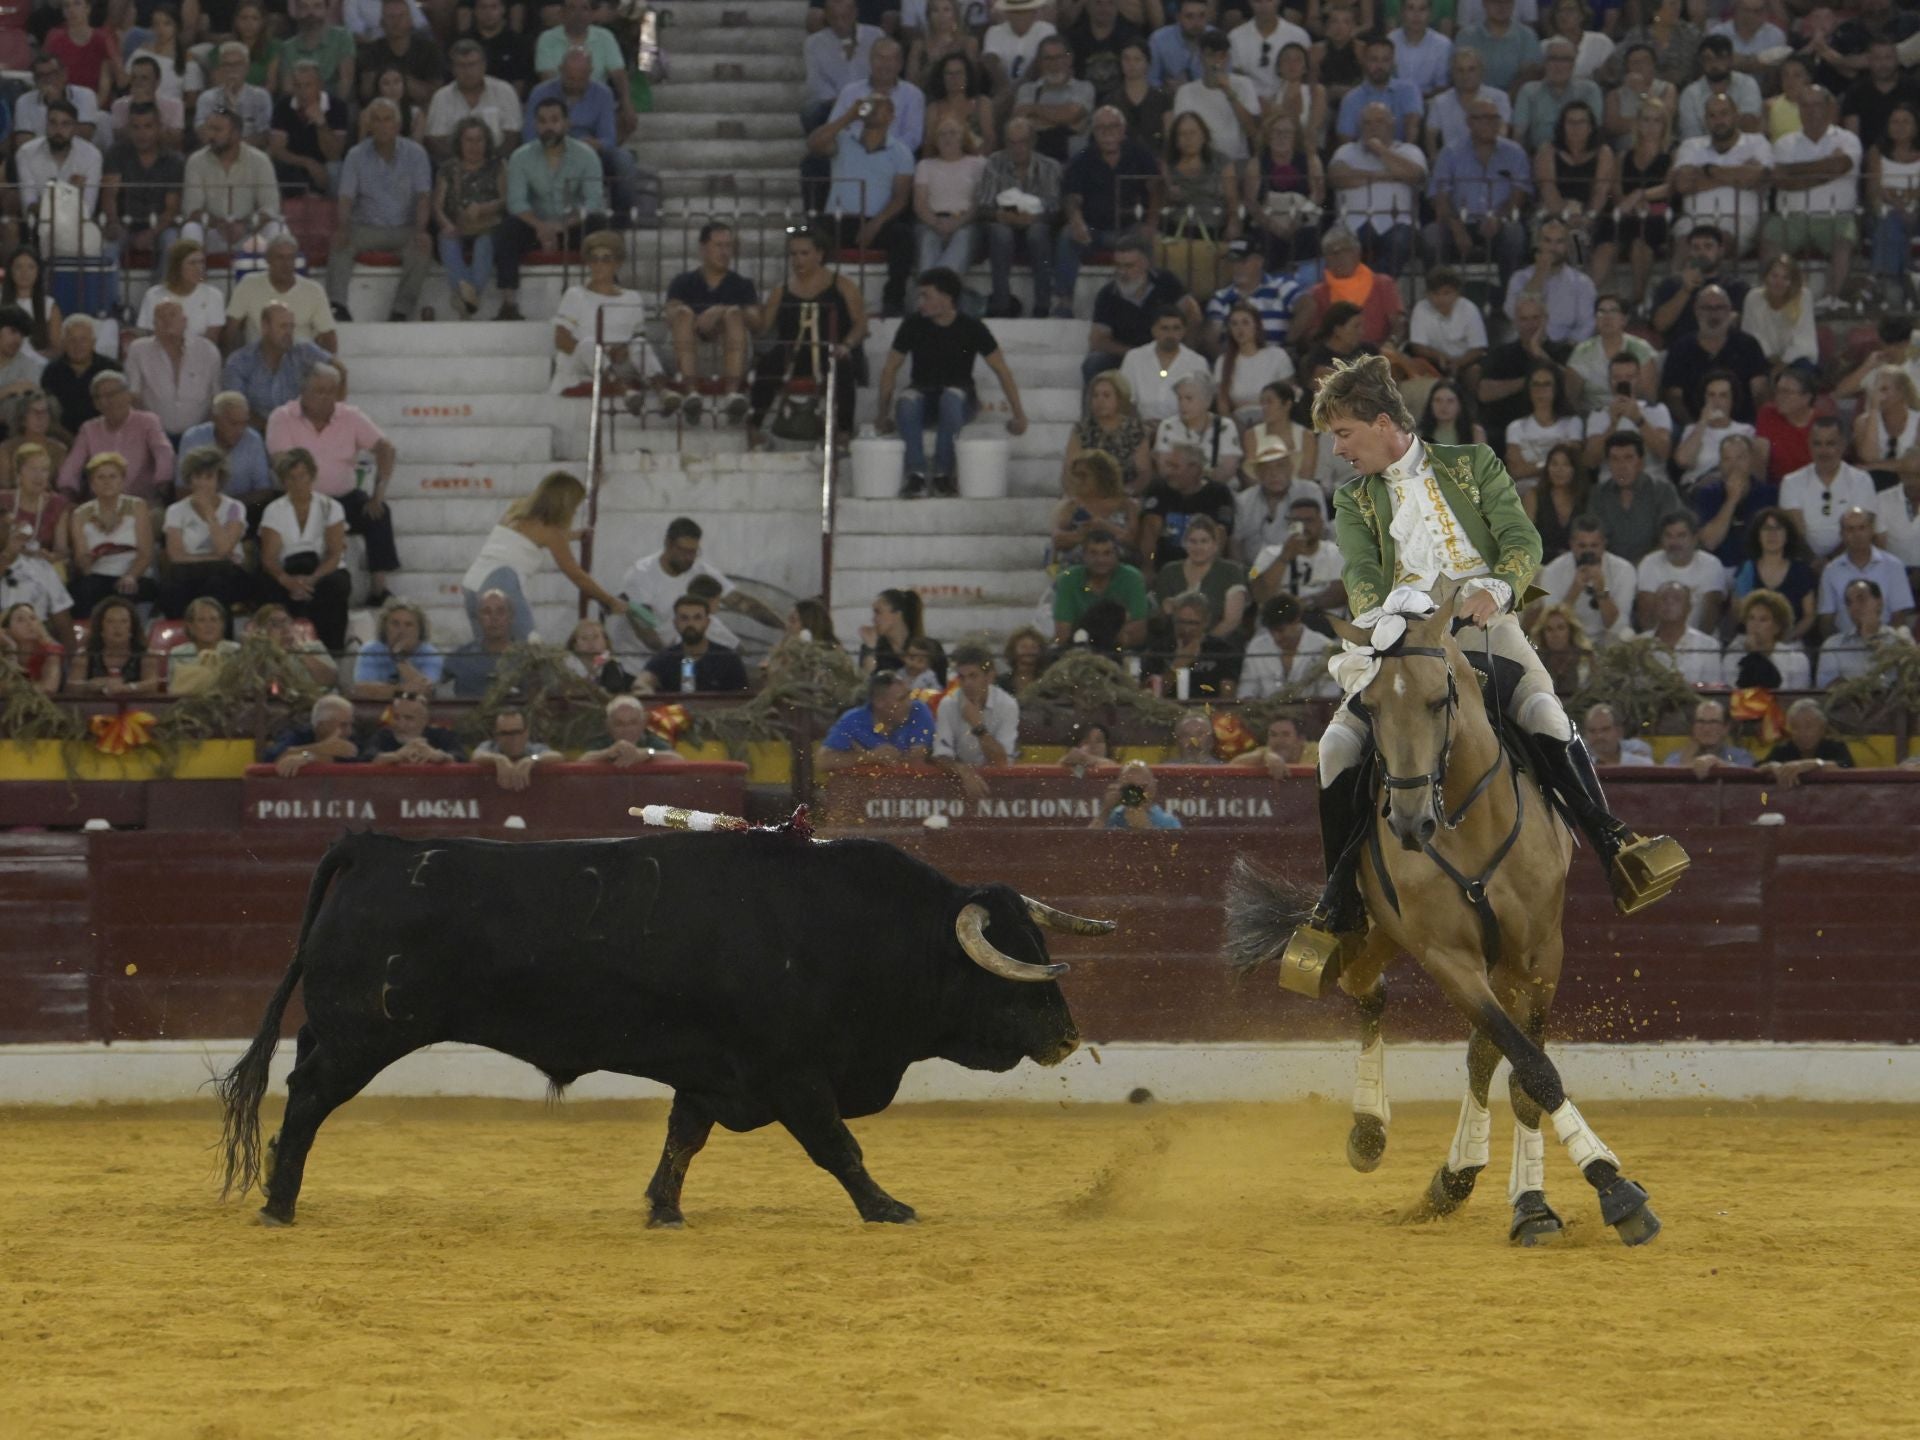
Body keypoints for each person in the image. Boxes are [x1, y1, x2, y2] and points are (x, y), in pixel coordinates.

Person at [1305, 362, 1689, 955]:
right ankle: (1338, 898)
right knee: (1334, 747)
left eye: (1344, 433)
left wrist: (1501, 588)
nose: (1338, 449)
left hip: (1485, 623)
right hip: (1401, 638)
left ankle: (1616, 846)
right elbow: (1360, 573)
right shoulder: (1354, 499)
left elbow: (1521, 539)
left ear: (1383, 423)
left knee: (1546, 715)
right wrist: (1384, 620)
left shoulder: (1473, 463)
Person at [877, 268, 1028, 498]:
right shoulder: (913, 324)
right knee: (907, 401)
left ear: (947, 298)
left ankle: (943, 475)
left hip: (959, 397)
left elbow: (1001, 370)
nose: (920, 302)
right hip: (923, 394)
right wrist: (882, 414)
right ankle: (916, 474)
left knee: (951, 397)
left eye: (926, 296)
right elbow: (890, 369)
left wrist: (1019, 414)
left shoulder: (971, 327)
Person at [459, 469, 625, 644]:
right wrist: (609, 600)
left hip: (472, 585)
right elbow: (577, 575)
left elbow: (528, 537)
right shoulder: (552, 534)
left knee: (489, 649)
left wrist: (573, 535)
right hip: (500, 584)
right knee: (530, 647)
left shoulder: (515, 510)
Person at [745, 225, 867, 447]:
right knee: (767, 366)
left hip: (830, 348)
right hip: (793, 351)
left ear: (819, 254)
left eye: (804, 253)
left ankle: (843, 430)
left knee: (843, 367)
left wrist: (847, 344)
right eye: (793, 254)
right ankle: (754, 426)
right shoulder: (781, 290)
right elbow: (763, 328)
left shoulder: (842, 284)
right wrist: (748, 316)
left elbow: (860, 323)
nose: (797, 260)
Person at [495, 97, 606, 323]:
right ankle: (508, 303)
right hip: (535, 227)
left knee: (599, 226)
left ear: (566, 123)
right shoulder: (521, 157)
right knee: (507, 229)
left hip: (572, 226)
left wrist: (560, 227)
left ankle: (605, 294)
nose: (548, 127)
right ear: (535, 125)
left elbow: (593, 201)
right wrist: (542, 228)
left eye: (555, 120)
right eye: (543, 121)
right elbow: (516, 203)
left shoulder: (585, 155)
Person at [809, 91, 917, 319]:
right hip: (838, 219)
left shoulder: (901, 152)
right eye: (871, 104)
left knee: (904, 237)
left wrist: (876, 224)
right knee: (808, 236)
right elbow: (814, 144)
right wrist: (849, 116)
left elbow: (901, 197)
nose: (874, 108)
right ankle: (814, 295)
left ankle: (893, 300)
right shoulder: (843, 140)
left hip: (875, 221)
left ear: (891, 115)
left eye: (881, 105)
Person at [614, 515, 781, 660]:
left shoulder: (699, 571)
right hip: (640, 663)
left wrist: (786, 627)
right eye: (683, 551)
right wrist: (673, 659)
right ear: (667, 544)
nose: (689, 558)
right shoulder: (640, 575)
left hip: (681, 660)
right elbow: (646, 631)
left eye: (694, 551)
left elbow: (741, 603)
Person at [326, 98, 433, 325]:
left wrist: (421, 230)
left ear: (398, 124)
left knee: (423, 248)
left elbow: (424, 198)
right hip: (366, 228)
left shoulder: (416, 153)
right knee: (339, 243)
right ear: (369, 125)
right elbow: (345, 198)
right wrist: (343, 228)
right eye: (377, 120)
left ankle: (400, 311)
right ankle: (337, 305)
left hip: (404, 228)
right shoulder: (356, 155)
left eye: (388, 119)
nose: (383, 125)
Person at [1761, 86, 1861, 311]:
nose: (1811, 110)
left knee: (1844, 241)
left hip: (1836, 216)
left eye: (1817, 104)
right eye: (1805, 105)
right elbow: (1783, 182)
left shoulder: (1848, 139)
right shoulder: (1783, 143)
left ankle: (1831, 299)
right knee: (1770, 237)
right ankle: (1774, 299)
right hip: (1792, 217)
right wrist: (1826, 169)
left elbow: (1841, 165)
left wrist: (1794, 171)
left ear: (1829, 108)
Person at [1057, 106, 1162, 314]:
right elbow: (1072, 198)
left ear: (1123, 130)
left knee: (1150, 238)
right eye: (1101, 128)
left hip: (1130, 229)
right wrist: (1077, 220)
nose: (1107, 133)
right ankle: (1064, 301)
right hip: (1093, 231)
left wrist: (1151, 224)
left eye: (1113, 127)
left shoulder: (1140, 154)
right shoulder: (1082, 158)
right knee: (1067, 235)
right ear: (1093, 132)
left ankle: (1152, 300)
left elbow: (1156, 190)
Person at [662, 222, 760, 421]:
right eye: (719, 245)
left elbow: (758, 322)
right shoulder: (683, 282)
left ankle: (732, 393)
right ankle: (691, 392)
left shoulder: (742, 285)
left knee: (733, 314)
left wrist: (722, 311)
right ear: (703, 248)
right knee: (682, 313)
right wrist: (696, 320)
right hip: (689, 354)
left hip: (728, 355)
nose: (725, 252)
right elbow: (669, 315)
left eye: (728, 246)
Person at [548, 230, 653, 396]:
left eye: (605, 259)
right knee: (589, 344)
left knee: (640, 344)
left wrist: (621, 350)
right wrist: (602, 353)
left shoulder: (633, 297)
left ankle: (663, 391)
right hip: (582, 364)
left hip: (618, 362)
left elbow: (637, 336)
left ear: (617, 263)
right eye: (594, 259)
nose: (598, 265)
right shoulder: (575, 294)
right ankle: (622, 389)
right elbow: (561, 340)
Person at [1326, 101, 1426, 275]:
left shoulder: (1410, 151)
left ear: (1392, 124)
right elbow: (1338, 177)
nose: (1372, 127)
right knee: (1341, 247)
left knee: (1399, 243)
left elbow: (1415, 175)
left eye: (1379, 121)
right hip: (1353, 223)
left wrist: (1380, 150)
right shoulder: (1346, 151)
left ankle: (1373, 291)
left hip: (1399, 223)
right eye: (1367, 122)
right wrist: (1389, 175)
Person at [1085, 239, 1202, 387]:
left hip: (1168, 349)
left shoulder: (1165, 281)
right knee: (1094, 362)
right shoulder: (1107, 294)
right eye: (1118, 266)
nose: (1122, 272)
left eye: (1129, 266)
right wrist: (1137, 355)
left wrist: (1186, 350)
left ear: (1145, 264)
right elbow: (1098, 340)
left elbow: (1193, 313)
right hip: (1126, 354)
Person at [1669, 93, 1773, 259]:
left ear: (1736, 115)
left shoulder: (1757, 142)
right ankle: (1679, 285)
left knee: (1717, 241)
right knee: (1685, 243)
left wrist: (1708, 171)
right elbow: (1682, 184)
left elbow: (1757, 178)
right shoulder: (1691, 145)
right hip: (1694, 219)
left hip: (1739, 221)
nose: (1719, 120)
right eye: (1712, 115)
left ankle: (1716, 285)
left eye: (1724, 113)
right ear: (1706, 120)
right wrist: (1738, 174)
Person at [976, 118, 1062, 319]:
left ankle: (1042, 305)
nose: (1017, 148)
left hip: (1037, 225)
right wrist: (1002, 216)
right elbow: (984, 207)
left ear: (1032, 142)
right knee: (1000, 233)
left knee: (1038, 233)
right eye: (1011, 142)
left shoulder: (1050, 167)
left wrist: (1033, 218)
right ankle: (1001, 304)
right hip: (1003, 224)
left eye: (1022, 142)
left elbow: (1056, 210)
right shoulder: (994, 163)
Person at [179, 103, 282, 259]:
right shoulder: (196, 161)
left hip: (249, 233)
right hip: (213, 233)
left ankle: (269, 283)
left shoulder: (260, 160)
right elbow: (192, 210)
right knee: (190, 229)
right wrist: (220, 225)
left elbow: (270, 207)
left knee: (275, 229)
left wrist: (245, 226)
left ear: (235, 134)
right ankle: (196, 281)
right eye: (209, 129)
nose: (210, 136)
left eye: (217, 130)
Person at [1660, 286, 1769, 430]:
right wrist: (1695, 427)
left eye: (1720, 308)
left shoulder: (1748, 345)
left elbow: (1760, 392)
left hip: (1743, 427)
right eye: (1707, 308)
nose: (1714, 314)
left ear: (1729, 311)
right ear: (1696, 311)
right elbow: (1674, 398)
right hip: (1694, 426)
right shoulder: (1681, 348)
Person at [58, 374, 175, 506]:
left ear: (127, 395)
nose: (104, 402)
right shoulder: (89, 428)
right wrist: (66, 491)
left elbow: (163, 452)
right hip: (100, 503)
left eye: (110, 395)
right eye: (98, 397)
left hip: (142, 501)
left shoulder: (147, 421)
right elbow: (73, 464)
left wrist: (162, 482)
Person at [159, 446, 250, 616]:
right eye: (197, 477)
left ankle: (222, 638)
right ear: (189, 479)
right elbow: (176, 555)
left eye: (208, 477)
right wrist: (212, 558)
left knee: (216, 583)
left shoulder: (235, 508)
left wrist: (209, 511)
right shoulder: (175, 511)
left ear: (219, 479)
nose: (202, 483)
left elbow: (224, 549)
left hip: (227, 572)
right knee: (173, 586)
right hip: (189, 572)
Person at [66, 454, 158, 620]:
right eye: (100, 477)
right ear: (92, 484)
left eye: (112, 476)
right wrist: (89, 559)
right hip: (98, 574)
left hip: (134, 574)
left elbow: (146, 553)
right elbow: (81, 560)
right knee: (82, 590)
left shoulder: (138, 506)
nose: (107, 481)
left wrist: (131, 576)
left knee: (126, 591)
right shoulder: (79, 514)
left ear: (122, 481)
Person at [1780, 419, 1878, 562]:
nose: (1823, 451)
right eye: (1817, 444)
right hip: (1805, 561)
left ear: (1843, 445)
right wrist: (1815, 563)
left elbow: (1860, 530)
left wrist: (1831, 563)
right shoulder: (1791, 482)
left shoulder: (1861, 480)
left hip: (1849, 560)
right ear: (1809, 445)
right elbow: (1796, 533)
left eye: (1830, 443)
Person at [124, 300, 220, 444]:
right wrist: (151, 431)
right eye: (161, 317)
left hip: (200, 436)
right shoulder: (138, 350)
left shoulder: (207, 350)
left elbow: (217, 398)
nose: (167, 320)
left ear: (185, 321)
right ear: (154, 325)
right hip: (153, 435)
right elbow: (133, 397)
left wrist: (203, 434)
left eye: (172, 315)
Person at [931, 642, 1019, 800]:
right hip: (957, 783)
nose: (967, 684)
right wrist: (965, 772)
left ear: (989, 677)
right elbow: (941, 756)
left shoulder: (1007, 705)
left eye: (973, 676)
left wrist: (978, 726)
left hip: (1000, 785)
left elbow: (1001, 760)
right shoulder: (948, 704)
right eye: (962, 677)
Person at [224, 235, 337, 353]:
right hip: (258, 363)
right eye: (280, 257)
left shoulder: (314, 290)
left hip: (301, 363)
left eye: (290, 258)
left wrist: (328, 365)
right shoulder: (248, 284)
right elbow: (230, 329)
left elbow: (329, 335)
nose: (286, 264)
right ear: (268, 259)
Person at [1139, 442, 1236, 575]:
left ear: (1194, 469)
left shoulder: (1218, 493)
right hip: (1163, 564)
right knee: (1151, 523)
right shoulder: (1159, 489)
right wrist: (1149, 567)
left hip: (1205, 564)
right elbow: (1150, 536)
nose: (1168, 472)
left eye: (1175, 467)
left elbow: (1221, 536)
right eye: (1168, 465)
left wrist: (1206, 573)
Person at [1817, 508, 1916, 638]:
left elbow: (1899, 615)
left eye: (1862, 528)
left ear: (1871, 531)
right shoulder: (1831, 571)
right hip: (1845, 646)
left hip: (1887, 644)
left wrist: (1886, 645)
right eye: (1850, 529)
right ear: (1841, 534)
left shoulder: (1893, 566)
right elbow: (1826, 619)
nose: (1857, 534)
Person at [815, 669, 936, 772]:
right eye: (901, 699)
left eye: (909, 695)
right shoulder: (853, 720)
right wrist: (869, 757)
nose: (908, 703)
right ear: (879, 702)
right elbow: (822, 761)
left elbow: (917, 759)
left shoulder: (919, 710)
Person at [1503, 216, 1595, 347]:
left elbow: (1587, 325)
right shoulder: (1519, 278)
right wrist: (1540, 273)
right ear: (1538, 244)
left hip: (1566, 348)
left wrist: (1566, 348)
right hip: (1526, 346)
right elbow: (1512, 312)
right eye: (1547, 241)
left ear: (1568, 246)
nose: (1553, 247)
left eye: (1559, 242)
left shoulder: (1582, 283)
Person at [1052, 527, 1150, 647]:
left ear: (1117, 555)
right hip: (1078, 651)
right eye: (1093, 553)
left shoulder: (1133, 577)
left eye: (1107, 553)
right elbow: (1062, 635)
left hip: (1121, 651)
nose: (1100, 560)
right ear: (1083, 555)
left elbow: (1138, 633)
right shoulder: (1067, 578)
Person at [1865, 102, 1920, 310]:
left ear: (1916, 126)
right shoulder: (1876, 152)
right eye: (1895, 121)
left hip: (1917, 213)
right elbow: (1874, 190)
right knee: (1890, 223)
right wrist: (1901, 202)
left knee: (1895, 223)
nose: (1900, 126)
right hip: (1883, 213)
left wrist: (1901, 196)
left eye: (1906, 121)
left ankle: (1882, 279)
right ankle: (1903, 279)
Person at [1114, 305, 1209, 424]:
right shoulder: (1134, 358)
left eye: (1176, 328)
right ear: (1154, 330)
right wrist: (1140, 426)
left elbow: (1200, 406)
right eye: (1165, 328)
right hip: (1141, 427)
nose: (1171, 334)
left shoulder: (1197, 362)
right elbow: (1125, 400)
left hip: (1183, 430)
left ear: (1184, 331)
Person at [1065, 371, 1152, 494]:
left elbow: (1143, 473)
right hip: (1088, 495)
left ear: (1120, 399)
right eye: (1095, 396)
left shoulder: (1136, 429)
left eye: (1106, 396)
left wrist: (1125, 493)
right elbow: (1069, 470)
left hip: (1126, 495)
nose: (1100, 401)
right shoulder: (1081, 430)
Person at [1140, 590, 1239, 697]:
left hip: (1208, 711)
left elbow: (1227, 697)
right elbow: (1148, 697)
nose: (1186, 629)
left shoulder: (1222, 651)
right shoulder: (1158, 650)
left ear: (1206, 622)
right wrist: (1178, 665)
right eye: (1181, 622)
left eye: (1193, 623)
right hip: (1168, 710)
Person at [1405, 269, 1488, 396]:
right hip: (1434, 362)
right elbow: (1417, 347)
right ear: (1427, 294)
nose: (1441, 299)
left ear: (1457, 293)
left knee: (1475, 371)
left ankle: (1472, 408)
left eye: (1446, 293)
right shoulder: (1421, 309)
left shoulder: (1469, 309)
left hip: (1466, 362)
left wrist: (1458, 363)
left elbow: (1478, 348)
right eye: (1436, 294)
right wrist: (1439, 356)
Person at [1818, 579, 1913, 687]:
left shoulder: (1899, 639)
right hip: (1849, 701)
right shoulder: (1833, 645)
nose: (1855, 607)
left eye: (1861, 599)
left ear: (1879, 602)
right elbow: (1828, 686)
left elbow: (1911, 680)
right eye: (1849, 603)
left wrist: (1871, 637)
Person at [1239, 597, 1335, 701]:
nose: (1276, 637)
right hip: (1265, 714)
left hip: (1311, 715)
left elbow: (1329, 697)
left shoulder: (1325, 648)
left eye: (1280, 630)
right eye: (1272, 631)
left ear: (1296, 621)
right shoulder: (1256, 647)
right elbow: (1246, 692)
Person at [1504, 362, 1583, 489]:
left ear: (1556, 389)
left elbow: (1573, 463)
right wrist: (1553, 466)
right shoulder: (1515, 427)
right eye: (1535, 385)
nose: (1540, 391)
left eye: (1547, 384)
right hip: (1526, 491)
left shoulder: (1572, 423)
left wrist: (1532, 467)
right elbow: (1516, 471)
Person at [1154, 373, 1239, 487]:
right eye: (1180, 398)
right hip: (1178, 490)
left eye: (1189, 398)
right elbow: (1164, 468)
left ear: (1207, 401)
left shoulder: (1225, 426)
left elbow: (1228, 469)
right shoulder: (1167, 426)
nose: (1182, 404)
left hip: (1217, 489)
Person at [70, 595, 163, 695]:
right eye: (110, 621)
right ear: (100, 627)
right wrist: (89, 685)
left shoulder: (145, 655)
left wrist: (127, 688)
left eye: (124, 621)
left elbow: (152, 685)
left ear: (132, 628)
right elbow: (71, 687)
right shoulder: (85, 655)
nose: (117, 627)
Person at [1742, 256, 1818, 377]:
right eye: (1774, 276)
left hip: (1795, 359)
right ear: (1766, 277)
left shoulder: (1803, 297)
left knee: (1801, 372)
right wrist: (1770, 357)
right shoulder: (1753, 298)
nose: (1779, 282)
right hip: (1764, 357)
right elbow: (1752, 335)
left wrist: (1780, 366)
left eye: (1785, 278)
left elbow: (1802, 340)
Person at [1721, 588, 1811, 690]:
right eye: (1751, 618)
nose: (1755, 625)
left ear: (1777, 627)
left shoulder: (1796, 660)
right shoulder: (1733, 657)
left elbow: (1796, 699)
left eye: (1763, 619)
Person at [1641, 579, 1722, 686]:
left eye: (1677, 599)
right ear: (1655, 606)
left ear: (1689, 608)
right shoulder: (1638, 643)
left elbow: (1713, 689)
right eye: (1663, 599)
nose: (1669, 603)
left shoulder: (1709, 645)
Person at [1853, 368, 1920, 495]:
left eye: (1884, 390)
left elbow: (1914, 463)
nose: (1877, 396)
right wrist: (1873, 410)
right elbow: (1869, 457)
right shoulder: (1863, 422)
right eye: (1875, 390)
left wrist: (1878, 466)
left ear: (1901, 393)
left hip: (1911, 481)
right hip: (1876, 482)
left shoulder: (1918, 422)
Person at [0, 522, 73, 636]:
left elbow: (64, 624)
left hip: (36, 643)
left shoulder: (41, 567)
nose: (18, 533)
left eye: (15, 527)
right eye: (7, 529)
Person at [268, 694, 364, 776]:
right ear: (322, 725)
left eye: (350, 724)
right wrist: (321, 748)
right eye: (343, 725)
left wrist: (308, 756)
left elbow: (348, 760)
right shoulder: (298, 734)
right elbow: (274, 756)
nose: (349, 731)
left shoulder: (352, 738)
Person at [163, 596, 242, 696]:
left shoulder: (236, 651)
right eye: (201, 620)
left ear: (222, 624)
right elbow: (174, 691)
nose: (208, 625)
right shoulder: (178, 654)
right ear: (190, 626)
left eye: (214, 619)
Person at [364, 690, 466, 765]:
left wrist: (439, 756)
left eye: (408, 718)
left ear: (424, 721)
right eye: (396, 717)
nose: (401, 724)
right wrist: (398, 755)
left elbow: (460, 757)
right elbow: (368, 758)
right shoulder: (383, 735)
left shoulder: (443, 735)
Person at [577, 693, 676, 765]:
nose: (627, 729)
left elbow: (676, 758)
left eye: (633, 723)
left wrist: (647, 753)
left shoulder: (651, 739)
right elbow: (583, 760)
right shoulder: (601, 742)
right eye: (619, 724)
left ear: (643, 723)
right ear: (608, 725)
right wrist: (607, 753)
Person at [1526, 601, 1594, 697]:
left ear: (1570, 630)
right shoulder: (1536, 660)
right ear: (1543, 633)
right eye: (1549, 629)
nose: (1555, 634)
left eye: (1560, 628)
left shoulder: (1585, 657)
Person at [1092, 759, 1181, 830]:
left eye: (1142, 787)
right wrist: (1105, 811)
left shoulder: (1168, 823)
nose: (1136, 794)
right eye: (1130, 788)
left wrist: (1146, 828)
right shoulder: (1112, 817)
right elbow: (1088, 846)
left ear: (1153, 788)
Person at [1, 601, 67, 695]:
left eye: (33, 618)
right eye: (20, 620)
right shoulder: (2, 653)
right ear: (7, 630)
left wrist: (12, 688)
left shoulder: (51, 651)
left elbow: (49, 687)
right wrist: (12, 649)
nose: (30, 623)